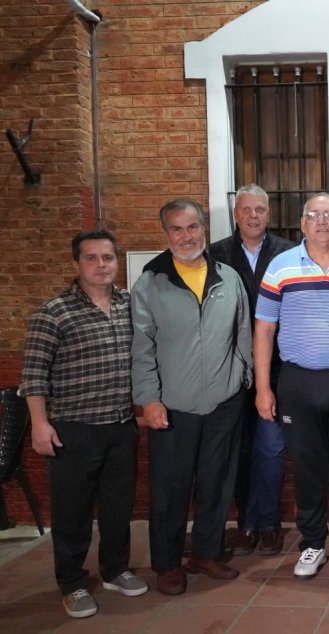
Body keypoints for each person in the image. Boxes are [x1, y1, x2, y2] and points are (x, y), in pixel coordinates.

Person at [21, 230, 148, 618]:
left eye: (107, 258)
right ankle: (73, 583)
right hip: (72, 429)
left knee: (116, 506)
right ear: (76, 264)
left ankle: (114, 570)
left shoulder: (131, 304)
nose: (100, 265)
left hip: (119, 425)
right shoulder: (53, 311)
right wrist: (39, 424)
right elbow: (34, 373)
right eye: (91, 258)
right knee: (72, 512)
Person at [132, 199, 252, 595]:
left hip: (224, 401)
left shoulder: (228, 277)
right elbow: (141, 348)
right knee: (170, 487)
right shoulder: (151, 282)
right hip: (172, 407)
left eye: (194, 227)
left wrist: (244, 378)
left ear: (204, 228)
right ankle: (167, 563)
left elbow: (243, 334)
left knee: (218, 482)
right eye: (178, 230)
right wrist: (149, 400)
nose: (187, 236)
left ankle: (205, 552)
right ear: (165, 234)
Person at [255, 193, 329, 579]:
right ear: (303, 224)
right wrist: (263, 387)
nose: (322, 221)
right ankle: (311, 544)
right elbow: (264, 329)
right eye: (314, 215)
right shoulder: (280, 267)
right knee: (306, 466)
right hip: (298, 381)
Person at [210, 184, 293, 557]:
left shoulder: (289, 253)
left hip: (276, 369)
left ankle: (270, 523)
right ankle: (245, 524)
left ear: (268, 214)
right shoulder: (215, 255)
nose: (254, 216)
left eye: (260, 209)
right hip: (230, 369)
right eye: (247, 210)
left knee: (272, 449)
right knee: (239, 450)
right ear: (236, 214)